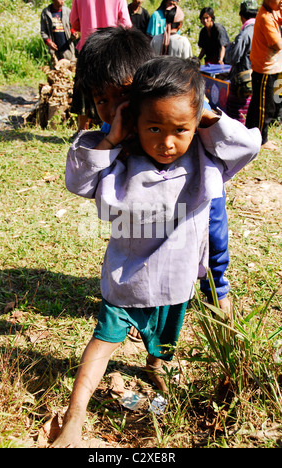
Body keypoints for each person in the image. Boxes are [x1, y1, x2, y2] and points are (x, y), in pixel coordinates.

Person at [50, 52, 260, 447]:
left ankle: (156, 368)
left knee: (166, 340)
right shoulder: (120, 161)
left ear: (197, 124)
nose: (166, 142)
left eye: (180, 128)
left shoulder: (204, 155)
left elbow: (247, 146)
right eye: (152, 127)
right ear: (133, 120)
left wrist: (208, 115)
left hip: (177, 280)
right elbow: (78, 181)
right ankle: (75, 415)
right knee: (104, 340)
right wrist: (113, 137)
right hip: (127, 277)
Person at [69, 0, 132, 130]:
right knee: (112, 90)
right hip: (113, 52)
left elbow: (74, 22)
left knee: (85, 91)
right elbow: (126, 24)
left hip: (88, 50)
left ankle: (81, 128)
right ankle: (110, 125)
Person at [245, 0, 282, 150]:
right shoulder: (265, 17)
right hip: (265, 69)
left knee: (262, 103)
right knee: (263, 108)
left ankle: (249, 131)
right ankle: (262, 139)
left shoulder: (274, 10)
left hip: (275, 67)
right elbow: (277, 45)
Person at [225, 0, 258, 124]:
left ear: (242, 17)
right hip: (257, 80)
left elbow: (232, 57)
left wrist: (230, 47)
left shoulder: (245, 33)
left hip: (243, 83)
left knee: (237, 116)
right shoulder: (263, 29)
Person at [40, 0, 78, 65]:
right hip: (54, 51)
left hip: (67, 49)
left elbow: (71, 26)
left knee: (70, 68)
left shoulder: (67, 11)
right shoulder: (46, 13)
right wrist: (48, 42)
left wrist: (74, 33)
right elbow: (43, 31)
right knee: (56, 71)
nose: (62, 1)